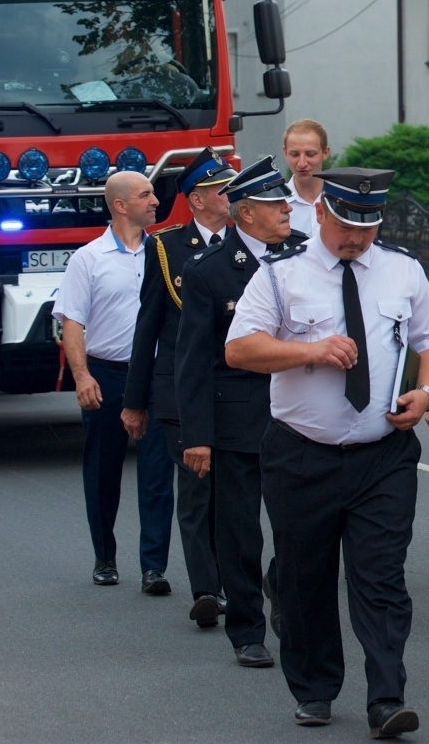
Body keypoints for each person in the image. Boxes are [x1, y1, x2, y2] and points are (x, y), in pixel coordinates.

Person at [225, 167, 429, 736]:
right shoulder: (281, 275)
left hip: (383, 455)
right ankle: (315, 687)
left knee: (381, 577)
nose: (357, 237)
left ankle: (387, 696)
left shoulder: (403, 269)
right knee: (305, 579)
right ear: (321, 212)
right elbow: (240, 349)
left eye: (368, 226)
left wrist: (424, 394)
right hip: (303, 453)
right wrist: (310, 350)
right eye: (348, 223)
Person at [175, 156, 297, 670]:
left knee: (297, 531)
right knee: (240, 532)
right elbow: (194, 362)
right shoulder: (209, 272)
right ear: (245, 213)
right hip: (236, 421)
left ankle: (291, 616)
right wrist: (197, 436)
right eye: (275, 203)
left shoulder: (304, 258)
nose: (286, 209)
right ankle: (246, 628)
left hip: (297, 417)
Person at [124, 149, 235, 612]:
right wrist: (135, 400)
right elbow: (148, 324)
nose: (230, 196)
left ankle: (232, 579)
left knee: (232, 493)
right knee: (196, 488)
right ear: (198, 200)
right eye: (222, 190)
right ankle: (207, 589)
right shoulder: (166, 247)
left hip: (235, 389)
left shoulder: (244, 244)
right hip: (179, 390)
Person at [53, 169, 172, 587]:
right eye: (146, 195)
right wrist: (82, 376)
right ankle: (105, 557)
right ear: (121, 205)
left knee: (158, 473)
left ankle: (154, 566)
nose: (155, 201)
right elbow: (72, 323)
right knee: (103, 472)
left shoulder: (165, 253)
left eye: (153, 193)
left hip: (157, 378)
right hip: (107, 375)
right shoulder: (88, 259)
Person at [282, 119, 331, 236]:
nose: (302, 163)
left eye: (310, 154)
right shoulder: (276, 204)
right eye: (294, 154)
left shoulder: (342, 199)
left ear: (325, 153)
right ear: (285, 153)